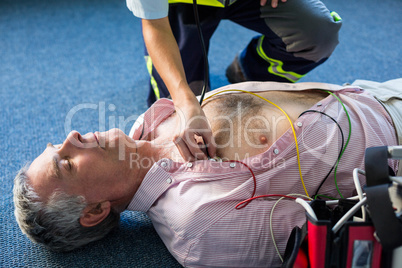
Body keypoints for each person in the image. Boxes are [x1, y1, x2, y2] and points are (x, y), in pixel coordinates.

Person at [14, 80, 401, 267]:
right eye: (65, 162)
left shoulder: (151, 122)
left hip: (371, 91)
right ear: (95, 211)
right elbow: (343, 234)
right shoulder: (198, 225)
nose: (71, 136)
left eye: (56, 144)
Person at [125, 0, 342, 163]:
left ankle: (247, 72)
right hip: (178, 5)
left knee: (318, 35)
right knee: (187, 121)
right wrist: (185, 102)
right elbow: (155, 27)